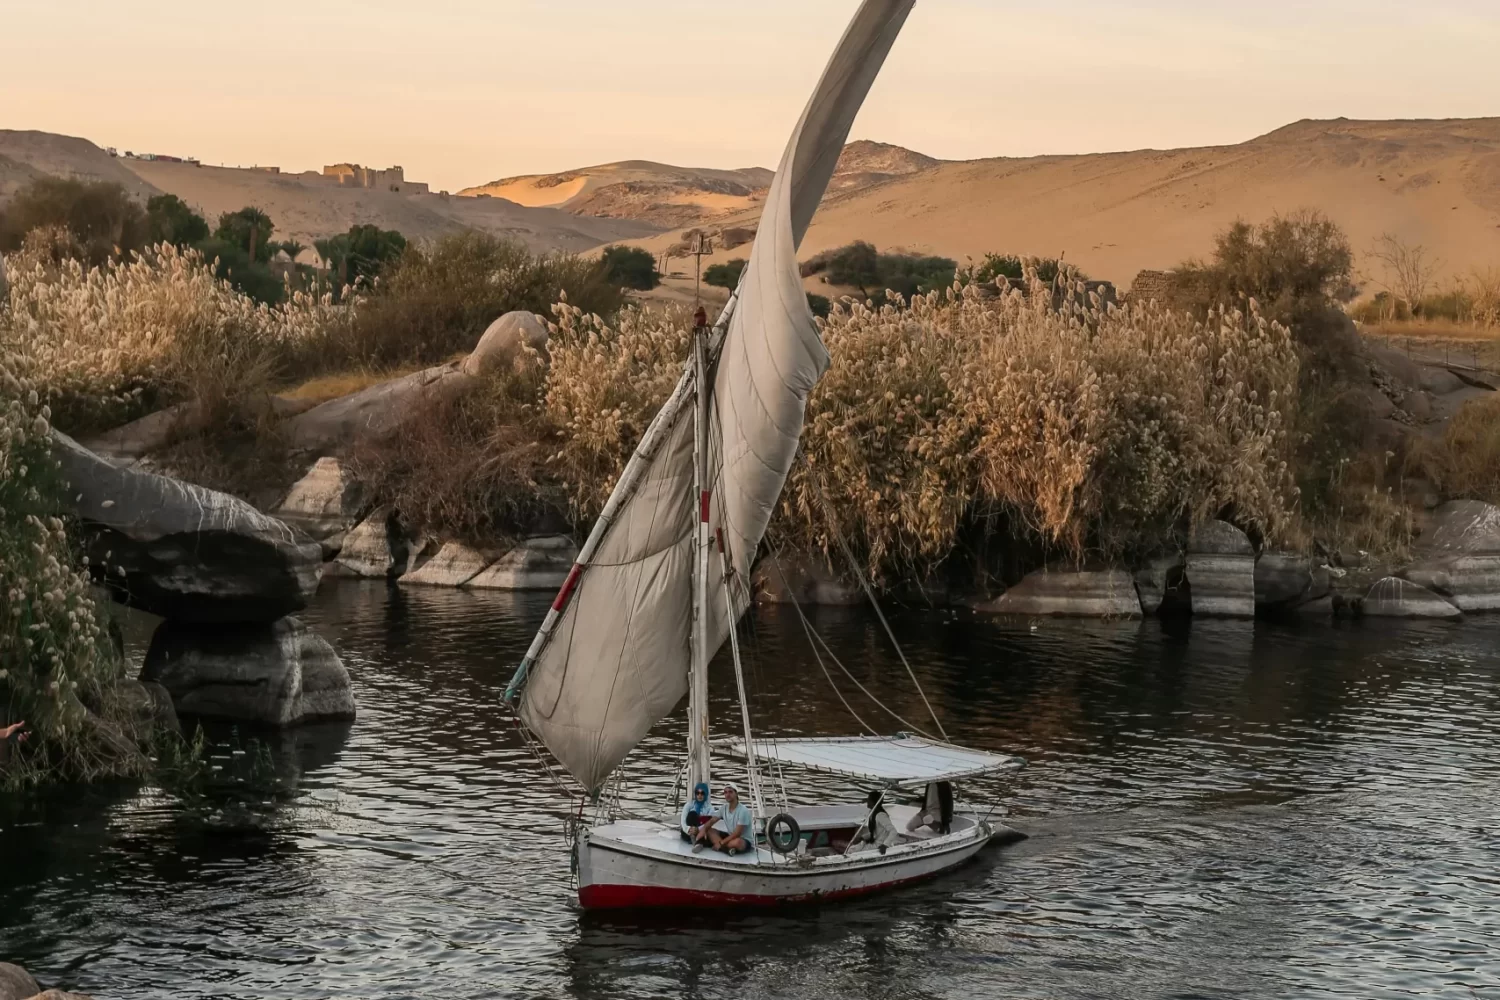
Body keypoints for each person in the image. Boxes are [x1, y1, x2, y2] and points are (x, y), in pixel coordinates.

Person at [708, 782, 754, 856]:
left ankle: (721, 847)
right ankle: (727, 849)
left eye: (730, 792)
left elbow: (737, 834)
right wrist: (703, 830)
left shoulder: (743, 810)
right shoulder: (724, 808)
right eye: (725, 792)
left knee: (738, 842)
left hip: (743, 840)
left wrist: (721, 843)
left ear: (736, 794)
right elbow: (712, 821)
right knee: (710, 830)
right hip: (730, 836)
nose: (728, 794)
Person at [680, 782, 716, 847]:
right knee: (692, 814)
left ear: (706, 794)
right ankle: (695, 839)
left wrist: (697, 829)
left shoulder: (710, 808)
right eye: (697, 793)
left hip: (701, 831)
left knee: (706, 819)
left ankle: (698, 840)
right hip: (688, 832)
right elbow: (683, 820)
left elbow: (709, 822)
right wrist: (688, 829)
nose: (699, 795)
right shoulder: (689, 805)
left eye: (702, 793)